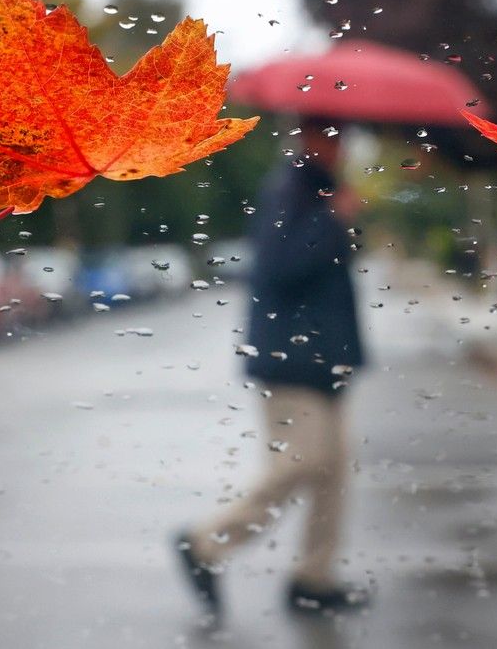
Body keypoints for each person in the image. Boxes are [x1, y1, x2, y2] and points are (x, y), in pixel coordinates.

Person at [175, 118, 366, 621]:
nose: (337, 144)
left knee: (334, 474)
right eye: (329, 135)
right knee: (300, 463)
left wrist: (338, 218)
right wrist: (333, 220)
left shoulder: (322, 190)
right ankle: (205, 544)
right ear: (305, 138)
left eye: (340, 135)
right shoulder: (287, 189)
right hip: (290, 361)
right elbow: (278, 266)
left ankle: (313, 579)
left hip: (327, 361)